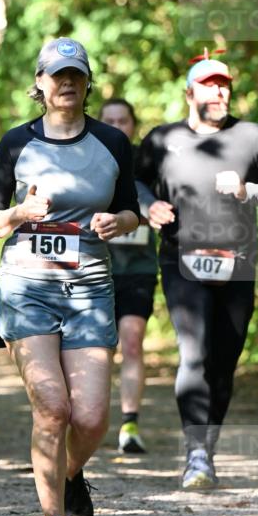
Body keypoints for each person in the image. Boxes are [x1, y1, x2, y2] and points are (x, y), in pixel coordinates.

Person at [0, 38, 140, 516]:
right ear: (40, 84)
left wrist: (121, 221)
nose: (67, 83)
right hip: (28, 285)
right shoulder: (16, 143)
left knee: (90, 418)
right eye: (57, 75)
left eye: (77, 75)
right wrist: (20, 215)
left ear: (88, 84)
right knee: (52, 406)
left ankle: (70, 476)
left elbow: (132, 208)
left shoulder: (112, 142)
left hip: (89, 286)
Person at [135, 51, 258, 491]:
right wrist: (149, 205)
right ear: (189, 93)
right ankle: (196, 453)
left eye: (223, 84)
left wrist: (248, 189)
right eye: (208, 84)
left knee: (225, 362)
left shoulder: (251, 136)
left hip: (239, 264)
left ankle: (207, 445)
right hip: (181, 260)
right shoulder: (162, 139)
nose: (219, 91)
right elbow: (133, 181)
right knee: (195, 352)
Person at [100, 99, 158, 454]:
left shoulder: (147, 162)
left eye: (123, 120)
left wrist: (150, 210)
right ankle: (93, 420)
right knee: (97, 349)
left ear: (133, 125)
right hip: (93, 269)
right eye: (110, 120)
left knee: (132, 342)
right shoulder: (86, 154)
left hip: (137, 267)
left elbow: (163, 202)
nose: (117, 126)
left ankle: (130, 424)